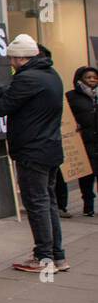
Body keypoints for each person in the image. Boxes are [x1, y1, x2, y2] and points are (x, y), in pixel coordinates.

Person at [0, 34, 68, 273]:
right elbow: (14, 96)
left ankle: (44, 258)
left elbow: (1, 107)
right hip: (50, 148)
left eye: (11, 58)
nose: (10, 63)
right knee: (48, 201)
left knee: (37, 203)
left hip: (32, 150)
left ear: (20, 58)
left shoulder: (27, 78)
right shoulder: (50, 75)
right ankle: (58, 256)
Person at [66, 66, 98, 218]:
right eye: (88, 77)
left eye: (95, 77)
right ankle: (88, 205)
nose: (92, 80)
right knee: (86, 176)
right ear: (79, 79)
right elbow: (67, 116)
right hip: (83, 141)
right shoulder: (71, 96)